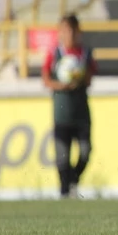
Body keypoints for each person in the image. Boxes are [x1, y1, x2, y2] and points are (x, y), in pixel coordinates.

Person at [41, 14, 95, 199]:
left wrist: (79, 78)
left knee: (86, 152)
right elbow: (46, 79)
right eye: (65, 30)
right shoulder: (54, 53)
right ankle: (64, 192)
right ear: (60, 32)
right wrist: (61, 85)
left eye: (72, 30)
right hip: (62, 113)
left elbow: (90, 77)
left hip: (81, 112)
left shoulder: (85, 53)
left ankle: (73, 180)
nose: (69, 34)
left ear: (78, 32)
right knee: (62, 155)